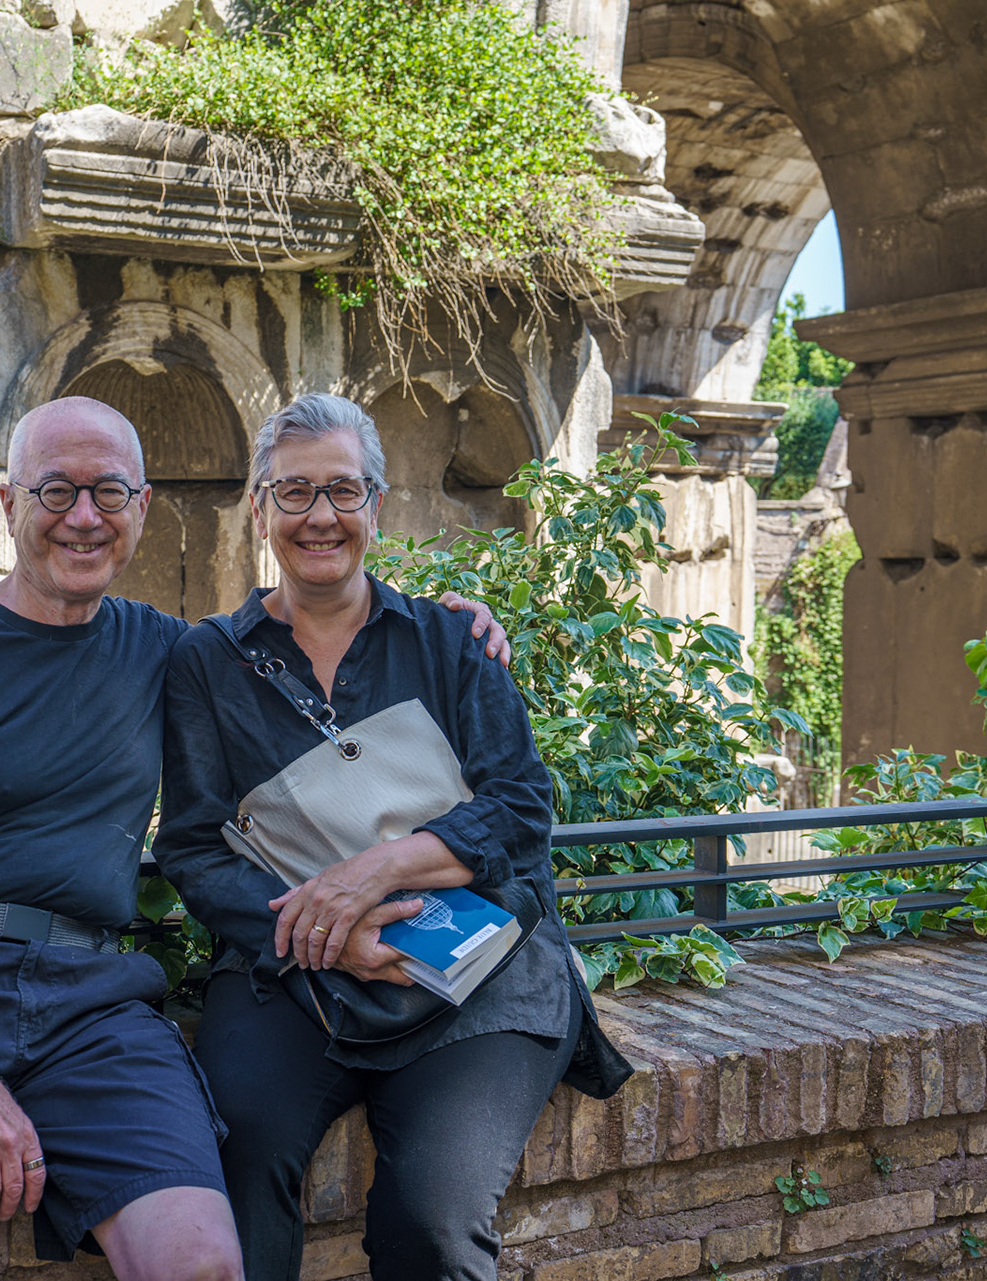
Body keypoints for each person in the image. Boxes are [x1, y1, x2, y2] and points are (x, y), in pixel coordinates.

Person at [0, 396, 508, 1281]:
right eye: (55, 491)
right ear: (9, 505)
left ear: (143, 508)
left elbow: (320, 627)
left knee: (203, 1263)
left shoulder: (176, 654)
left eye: (107, 492)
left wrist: (443, 622)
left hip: (89, 1005)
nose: (82, 517)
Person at [153, 393, 633, 1281]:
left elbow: (522, 808)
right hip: (292, 967)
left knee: (433, 1223)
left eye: (343, 490)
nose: (320, 517)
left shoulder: (451, 639)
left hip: (476, 970)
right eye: (294, 493)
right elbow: (191, 846)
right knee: (233, 1161)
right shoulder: (207, 662)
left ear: (377, 504)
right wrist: (330, 929)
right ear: (258, 508)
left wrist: (374, 871)